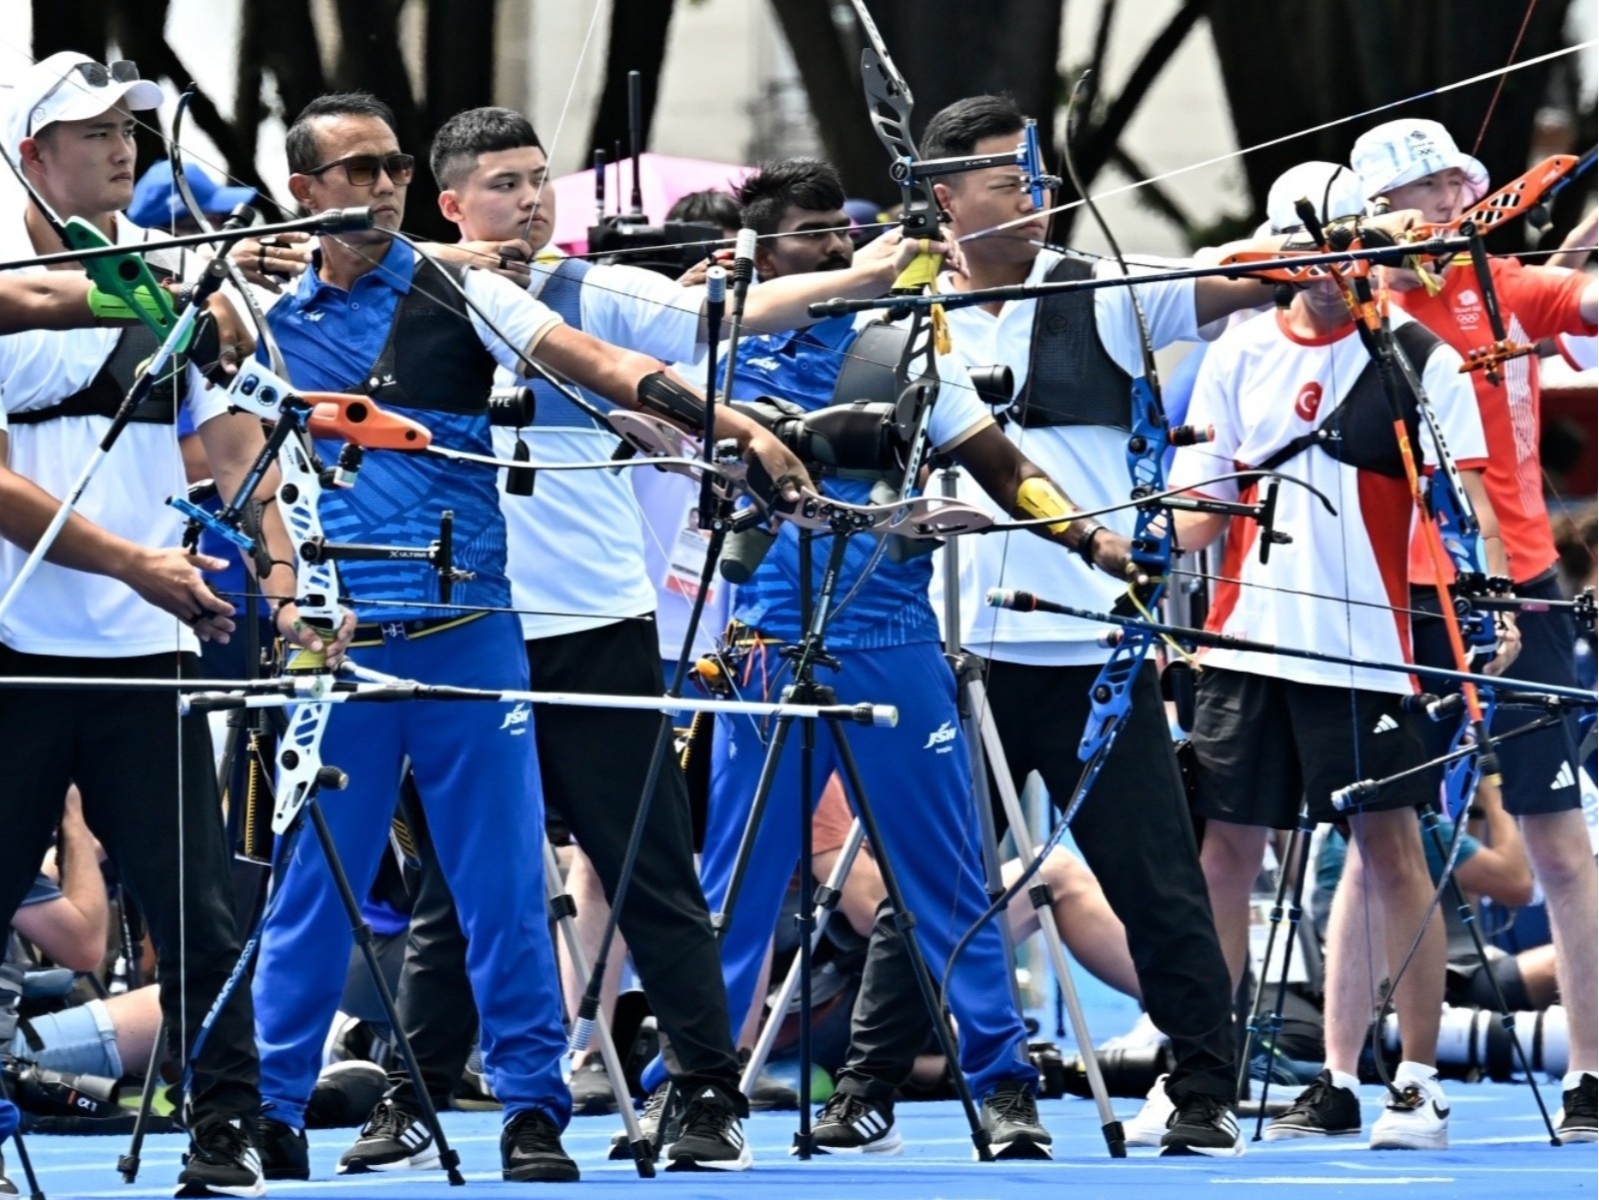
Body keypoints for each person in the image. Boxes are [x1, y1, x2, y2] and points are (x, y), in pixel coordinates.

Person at [245, 92, 810, 1186]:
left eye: (391, 168)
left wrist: (734, 425)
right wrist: (281, 591)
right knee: (321, 887)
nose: (380, 188)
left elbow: (606, 361)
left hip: (485, 630)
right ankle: (267, 1107)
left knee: (513, 882)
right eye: (355, 173)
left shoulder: (470, 288)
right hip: (341, 646)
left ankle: (542, 1108)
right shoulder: (259, 314)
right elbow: (231, 454)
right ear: (306, 195)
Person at [634, 154, 1145, 1163]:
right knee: (735, 879)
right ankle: (694, 1089)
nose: (835, 242)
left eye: (842, 228)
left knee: (947, 876)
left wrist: (1091, 540)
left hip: (894, 640)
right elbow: (645, 405)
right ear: (759, 253)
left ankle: (1003, 1087)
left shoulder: (911, 352)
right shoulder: (716, 350)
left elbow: (1005, 467)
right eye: (811, 232)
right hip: (768, 650)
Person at [882, 94, 1332, 1160]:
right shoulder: (896, 312)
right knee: (933, 887)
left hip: (1094, 650)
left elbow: (1241, 277)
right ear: (946, 197)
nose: (1036, 199)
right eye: (1008, 180)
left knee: (1158, 888)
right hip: (961, 652)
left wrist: (1322, 248)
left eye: (1041, 179)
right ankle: (864, 1083)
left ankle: (1207, 1088)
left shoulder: (1111, 291)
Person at [0, 50, 319, 1197]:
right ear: (30, 154)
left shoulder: (159, 276)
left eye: (130, 128)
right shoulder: (49, 279)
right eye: (90, 131)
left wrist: (278, 554)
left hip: (150, 652)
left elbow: (217, 444)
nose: (121, 146)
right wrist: (132, 560)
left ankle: (223, 1127)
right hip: (17, 655)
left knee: (197, 917)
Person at [1167, 158, 1494, 1151]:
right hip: (1244, 646)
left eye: (1343, 244)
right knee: (1224, 854)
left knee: (1391, 851)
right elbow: (1194, 513)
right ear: (1273, 253)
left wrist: (1485, 602)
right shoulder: (1234, 351)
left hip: (1363, 653)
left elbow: (1463, 507)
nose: (1323, 265)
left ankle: (1420, 1082)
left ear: (1371, 245)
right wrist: (1128, 533)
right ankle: (1203, 1080)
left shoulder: (1416, 358)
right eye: (1304, 248)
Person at [1314, 116, 1595, 1145]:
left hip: (1515, 587)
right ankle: (1343, 1077)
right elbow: (1261, 281)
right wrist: (1372, 252)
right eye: (1416, 192)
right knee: (1376, 840)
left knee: (1559, 844)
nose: (1440, 205)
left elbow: (1584, 301)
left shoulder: (1504, 285)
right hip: (1393, 602)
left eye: (1449, 186)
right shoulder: (1352, 299)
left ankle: (1592, 1078)